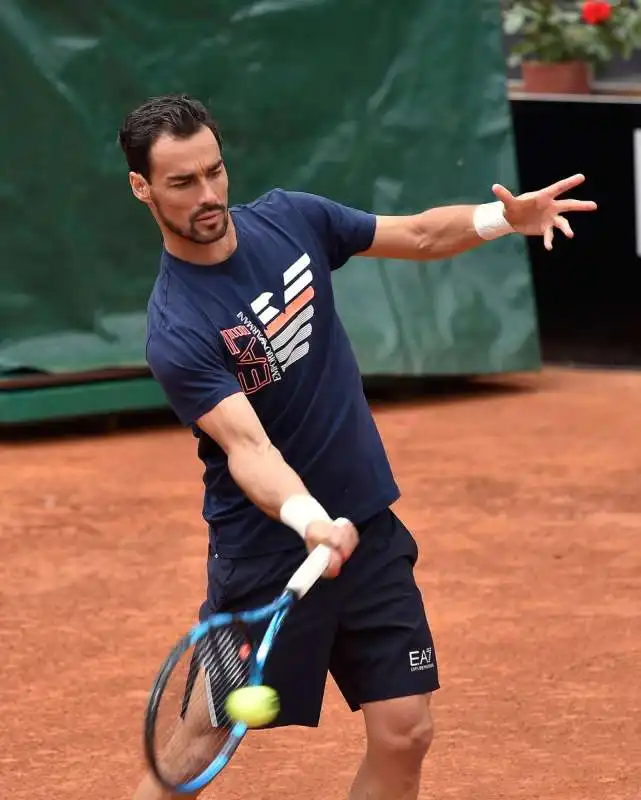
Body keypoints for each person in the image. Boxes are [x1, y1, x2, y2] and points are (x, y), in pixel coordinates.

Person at [118, 94, 596, 800]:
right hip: (264, 558)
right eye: (183, 183)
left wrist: (501, 218)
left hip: (366, 530)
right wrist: (309, 521)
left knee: (406, 731)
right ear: (142, 188)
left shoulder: (290, 219)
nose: (210, 194)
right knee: (198, 741)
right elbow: (247, 448)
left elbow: (419, 235)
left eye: (214, 172)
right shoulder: (177, 327)